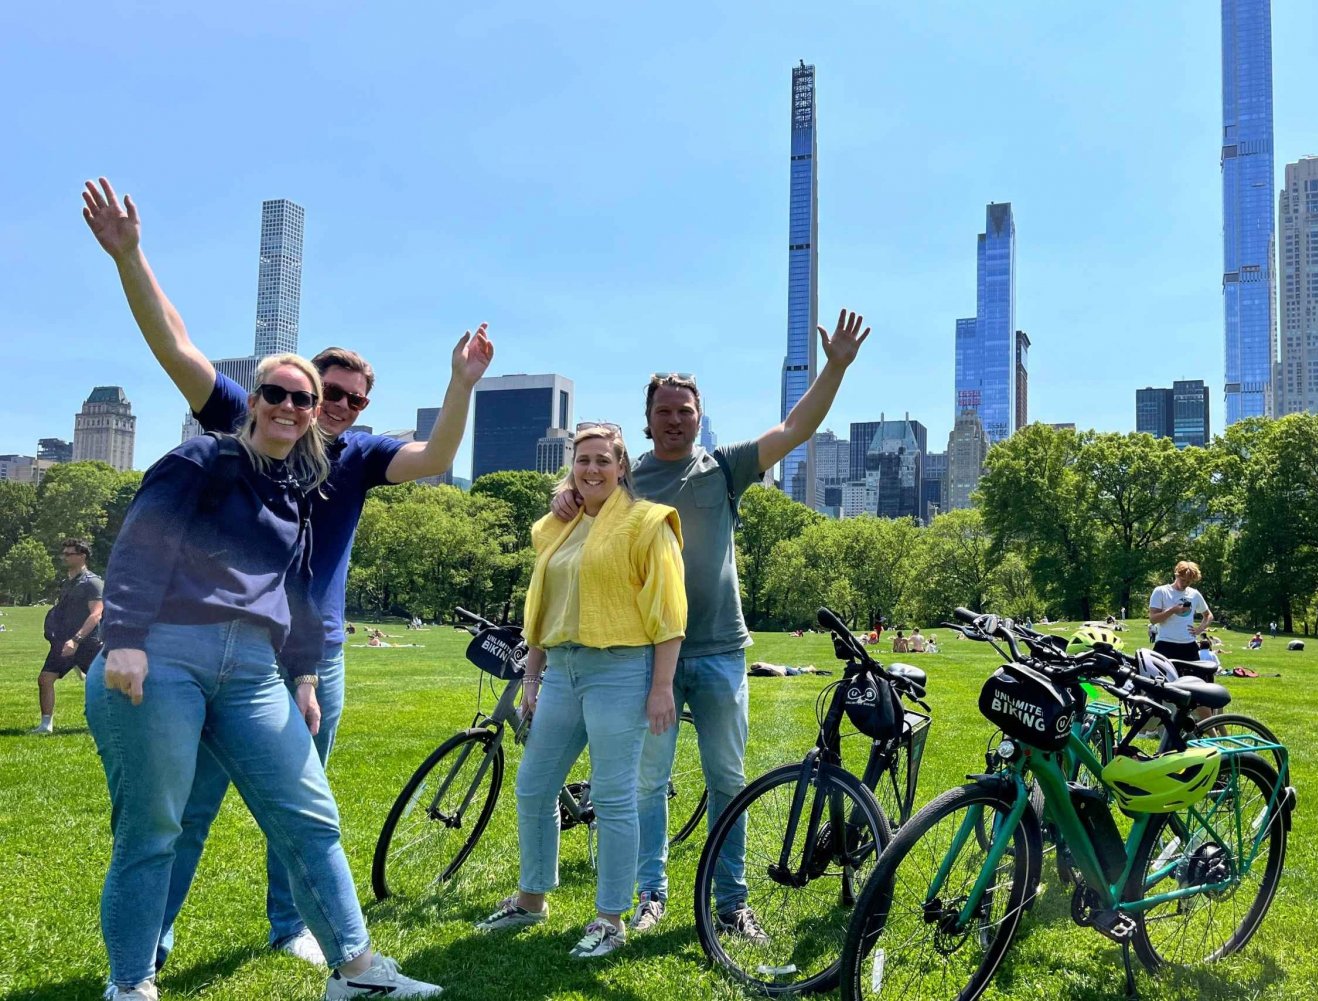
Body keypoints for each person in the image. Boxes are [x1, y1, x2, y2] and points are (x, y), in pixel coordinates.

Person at [83, 176, 494, 969]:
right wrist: (132, 259)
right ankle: (150, 943)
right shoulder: (247, 428)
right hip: (198, 642)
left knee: (300, 802)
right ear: (284, 392)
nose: (328, 406)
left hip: (310, 652)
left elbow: (439, 457)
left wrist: (461, 384)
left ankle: (294, 926)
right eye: (319, 391)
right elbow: (176, 347)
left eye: (347, 398)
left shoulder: (361, 454)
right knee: (185, 805)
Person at [83, 354, 440, 1000]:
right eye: (277, 393)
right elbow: (139, 544)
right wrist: (126, 639)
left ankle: (355, 971)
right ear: (253, 401)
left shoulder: (293, 495)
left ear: (312, 420)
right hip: (164, 653)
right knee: (155, 826)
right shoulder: (199, 462)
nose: (291, 406)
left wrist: (304, 677)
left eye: (302, 401)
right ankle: (131, 982)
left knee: (311, 814)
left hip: (251, 669)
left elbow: (294, 593)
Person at [550, 311, 870, 938]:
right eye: (664, 411)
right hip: (648, 655)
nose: (674, 419)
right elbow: (575, 506)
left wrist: (835, 366)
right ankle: (651, 895)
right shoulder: (626, 478)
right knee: (651, 783)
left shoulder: (724, 468)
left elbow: (796, 426)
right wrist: (566, 496)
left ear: (699, 417)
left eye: (685, 410)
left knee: (728, 779)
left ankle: (731, 901)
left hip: (722, 649)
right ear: (648, 420)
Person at [476, 425, 686, 958]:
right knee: (533, 785)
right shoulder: (558, 527)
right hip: (562, 668)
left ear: (621, 467)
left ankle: (610, 918)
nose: (591, 470)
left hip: (621, 668)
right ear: (571, 468)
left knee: (615, 798)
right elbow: (541, 605)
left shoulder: (647, 523)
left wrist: (662, 686)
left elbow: (669, 614)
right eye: (582, 461)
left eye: (601, 461)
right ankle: (531, 898)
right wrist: (532, 675)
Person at [32, 537, 104, 734]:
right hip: (64, 642)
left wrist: (77, 639)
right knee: (45, 679)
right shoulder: (67, 582)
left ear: (82, 556)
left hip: (88, 643)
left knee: (106, 684)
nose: (63, 557)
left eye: (69, 554)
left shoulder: (93, 582)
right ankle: (46, 725)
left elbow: (96, 613)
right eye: (63, 553)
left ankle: (121, 721)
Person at [1147, 560, 1214, 662]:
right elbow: (1153, 619)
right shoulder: (1161, 591)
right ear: (1176, 575)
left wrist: (1200, 629)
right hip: (1165, 644)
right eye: (1183, 580)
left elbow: (1208, 615)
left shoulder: (1194, 594)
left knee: (1195, 677)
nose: (1186, 584)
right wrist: (1173, 610)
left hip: (1189, 645)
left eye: (1189, 581)